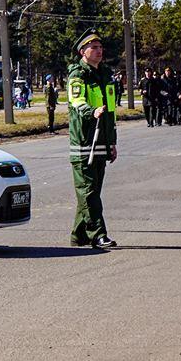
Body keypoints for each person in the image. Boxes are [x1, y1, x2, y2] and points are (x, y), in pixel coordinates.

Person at [67, 29, 118, 249]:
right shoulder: (77, 75)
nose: (99, 51)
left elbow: (112, 111)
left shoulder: (106, 74)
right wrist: (91, 111)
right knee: (88, 191)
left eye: (100, 47)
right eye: (93, 48)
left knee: (91, 192)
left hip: (102, 139)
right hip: (84, 140)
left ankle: (78, 235)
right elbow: (76, 102)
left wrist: (112, 142)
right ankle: (98, 234)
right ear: (83, 51)